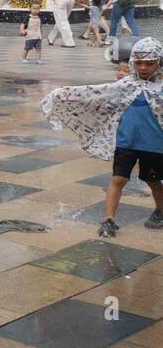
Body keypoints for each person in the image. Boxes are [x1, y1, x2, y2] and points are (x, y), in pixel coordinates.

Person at [41, 37, 163, 239]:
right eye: (138, 63)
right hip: (126, 143)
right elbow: (97, 94)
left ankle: (160, 210)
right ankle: (109, 220)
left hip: (154, 145)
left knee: (153, 180)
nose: (143, 67)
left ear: (159, 62)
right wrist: (65, 94)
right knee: (118, 179)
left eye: (149, 63)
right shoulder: (126, 85)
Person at [20, 1, 44, 65]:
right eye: (34, 8)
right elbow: (22, 25)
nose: (36, 10)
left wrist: (41, 34)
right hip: (30, 35)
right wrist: (22, 30)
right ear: (30, 9)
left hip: (38, 36)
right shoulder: (28, 17)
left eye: (38, 8)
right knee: (27, 48)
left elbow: (40, 26)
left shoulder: (40, 17)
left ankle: (38, 59)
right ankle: (24, 58)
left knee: (38, 48)